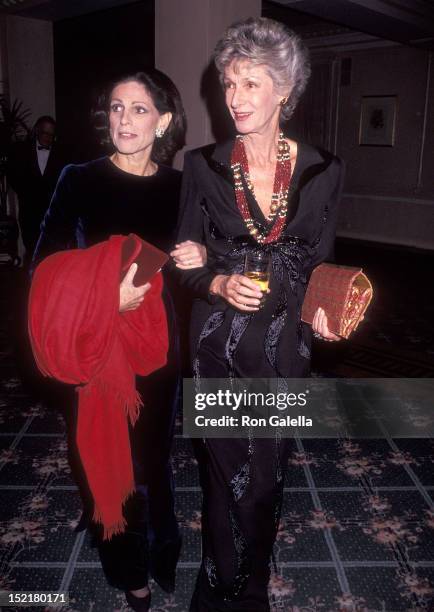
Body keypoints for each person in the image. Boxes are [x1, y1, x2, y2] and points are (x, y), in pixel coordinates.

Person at [173, 17, 344, 612]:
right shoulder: (203, 165)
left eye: (251, 83)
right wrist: (216, 278)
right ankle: (226, 586)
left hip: (283, 345)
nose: (236, 98)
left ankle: (250, 576)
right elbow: (182, 258)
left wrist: (326, 310)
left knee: (265, 474)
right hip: (217, 342)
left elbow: (323, 260)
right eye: (229, 84)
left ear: (284, 91)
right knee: (223, 473)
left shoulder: (324, 169)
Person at [33, 68, 204, 612]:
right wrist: (108, 300)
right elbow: (45, 269)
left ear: (165, 120)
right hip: (95, 342)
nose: (123, 120)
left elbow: (194, 269)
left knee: (152, 457)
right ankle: (129, 568)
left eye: (138, 109)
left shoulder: (181, 188)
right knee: (107, 458)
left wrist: (202, 260)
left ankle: (161, 550)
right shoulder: (79, 179)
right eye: (115, 107)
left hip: (158, 345)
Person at [7, 115, 65, 266]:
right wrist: (26, 194)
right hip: (29, 212)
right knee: (32, 249)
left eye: (52, 135)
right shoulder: (21, 151)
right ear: (37, 131)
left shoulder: (61, 153)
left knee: (52, 253)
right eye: (45, 133)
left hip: (52, 213)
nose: (48, 138)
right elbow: (13, 176)